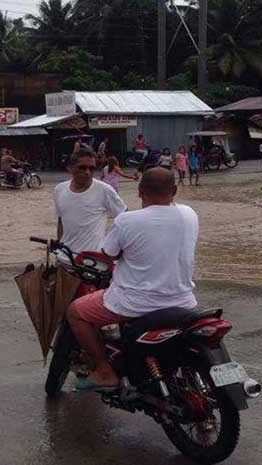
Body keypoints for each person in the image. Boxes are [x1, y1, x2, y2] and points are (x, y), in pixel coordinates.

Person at [66, 167, 199, 390]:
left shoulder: (127, 220)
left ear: (139, 191)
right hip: (183, 302)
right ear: (174, 190)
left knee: (75, 312)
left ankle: (104, 371)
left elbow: (109, 253)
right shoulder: (189, 214)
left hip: (134, 303)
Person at [53, 146, 126, 254]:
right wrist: (59, 249)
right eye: (82, 168)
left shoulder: (104, 190)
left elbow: (125, 218)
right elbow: (61, 221)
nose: (87, 172)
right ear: (70, 168)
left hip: (92, 261)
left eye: (92, 168)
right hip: (65, 257)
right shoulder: (59, 190)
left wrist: (112, 246)